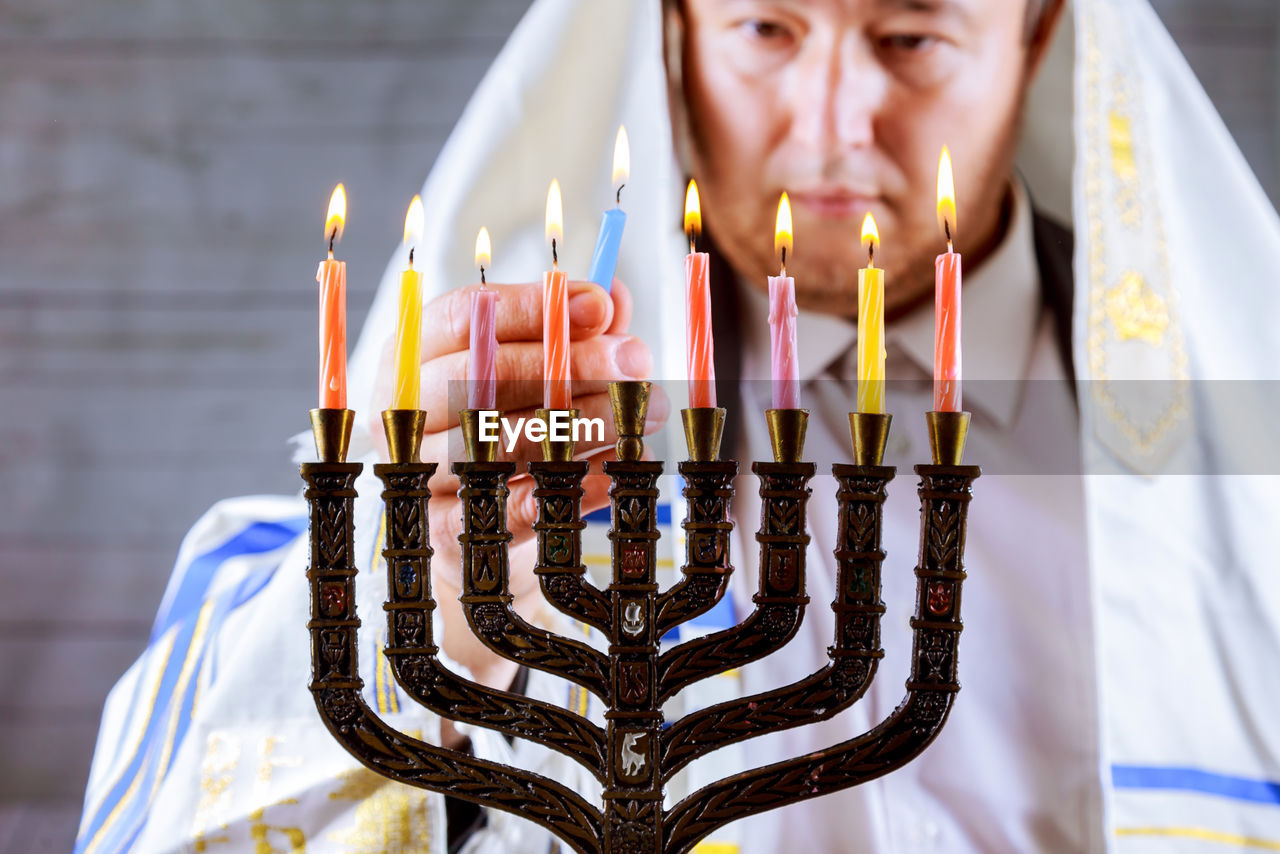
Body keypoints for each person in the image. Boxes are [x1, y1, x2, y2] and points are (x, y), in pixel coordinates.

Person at [76, 0, 1280, 852]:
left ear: (1042, 28)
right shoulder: (534, 417)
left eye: (911, 35)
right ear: (668, 33)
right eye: (763, 28)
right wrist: (437, 604)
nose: (829, 122)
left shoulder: (1238, 457)